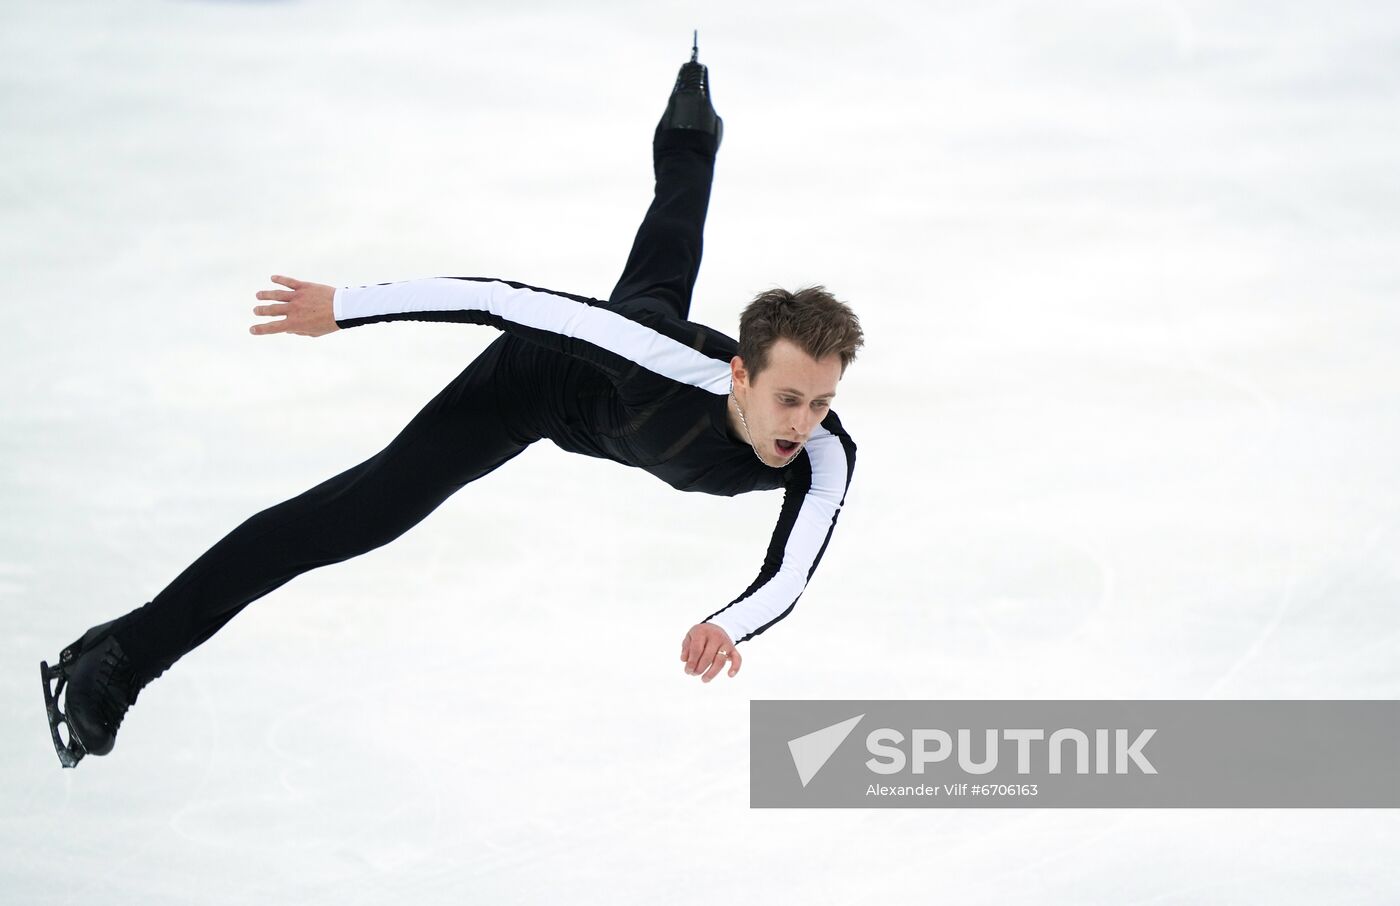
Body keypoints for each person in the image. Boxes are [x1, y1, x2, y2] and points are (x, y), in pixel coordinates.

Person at [40, 37, 863, 768]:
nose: (803, 424)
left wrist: (727, 624)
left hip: (631, 370)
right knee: (354, 516)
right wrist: (346, 306)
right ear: (739, 377)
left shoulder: (823, 451)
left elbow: (790, 572)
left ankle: (691, 122)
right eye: (790, 398)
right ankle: (122, 657)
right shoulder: (650, 361)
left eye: (822, 403)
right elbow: (501, 300)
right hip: (532, 386)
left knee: (668, 248)